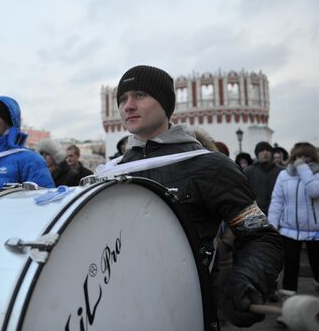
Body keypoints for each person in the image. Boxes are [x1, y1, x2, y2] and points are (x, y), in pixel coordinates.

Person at [115, 65, 282, 327]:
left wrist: (246, 278)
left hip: (187, 308)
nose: (129, 105)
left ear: (166, 103)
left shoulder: (209, 166)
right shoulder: (115, 169)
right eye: (123, 99)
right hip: (129, 306)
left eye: (140, 95)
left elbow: (261, 237)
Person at [268, 142, 319, 296]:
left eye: (306, 156)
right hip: (289, 231)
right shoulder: (284, 175)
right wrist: (272, 225)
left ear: (313, 157)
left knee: (318, 268)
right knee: (290, 270)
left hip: (315, 232)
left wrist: (303, 169)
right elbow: (277, 201)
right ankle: (289, 311)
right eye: (299, 156)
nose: (302, 159)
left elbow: (314, 191)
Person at [244, 142, 283, 215]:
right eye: (261, 150)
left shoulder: (281, 171)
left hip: (276, 213)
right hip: (255, 214)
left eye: (268, 150)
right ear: (257, 154)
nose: (265, 152)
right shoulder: (248, 171)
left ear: (271, 153)